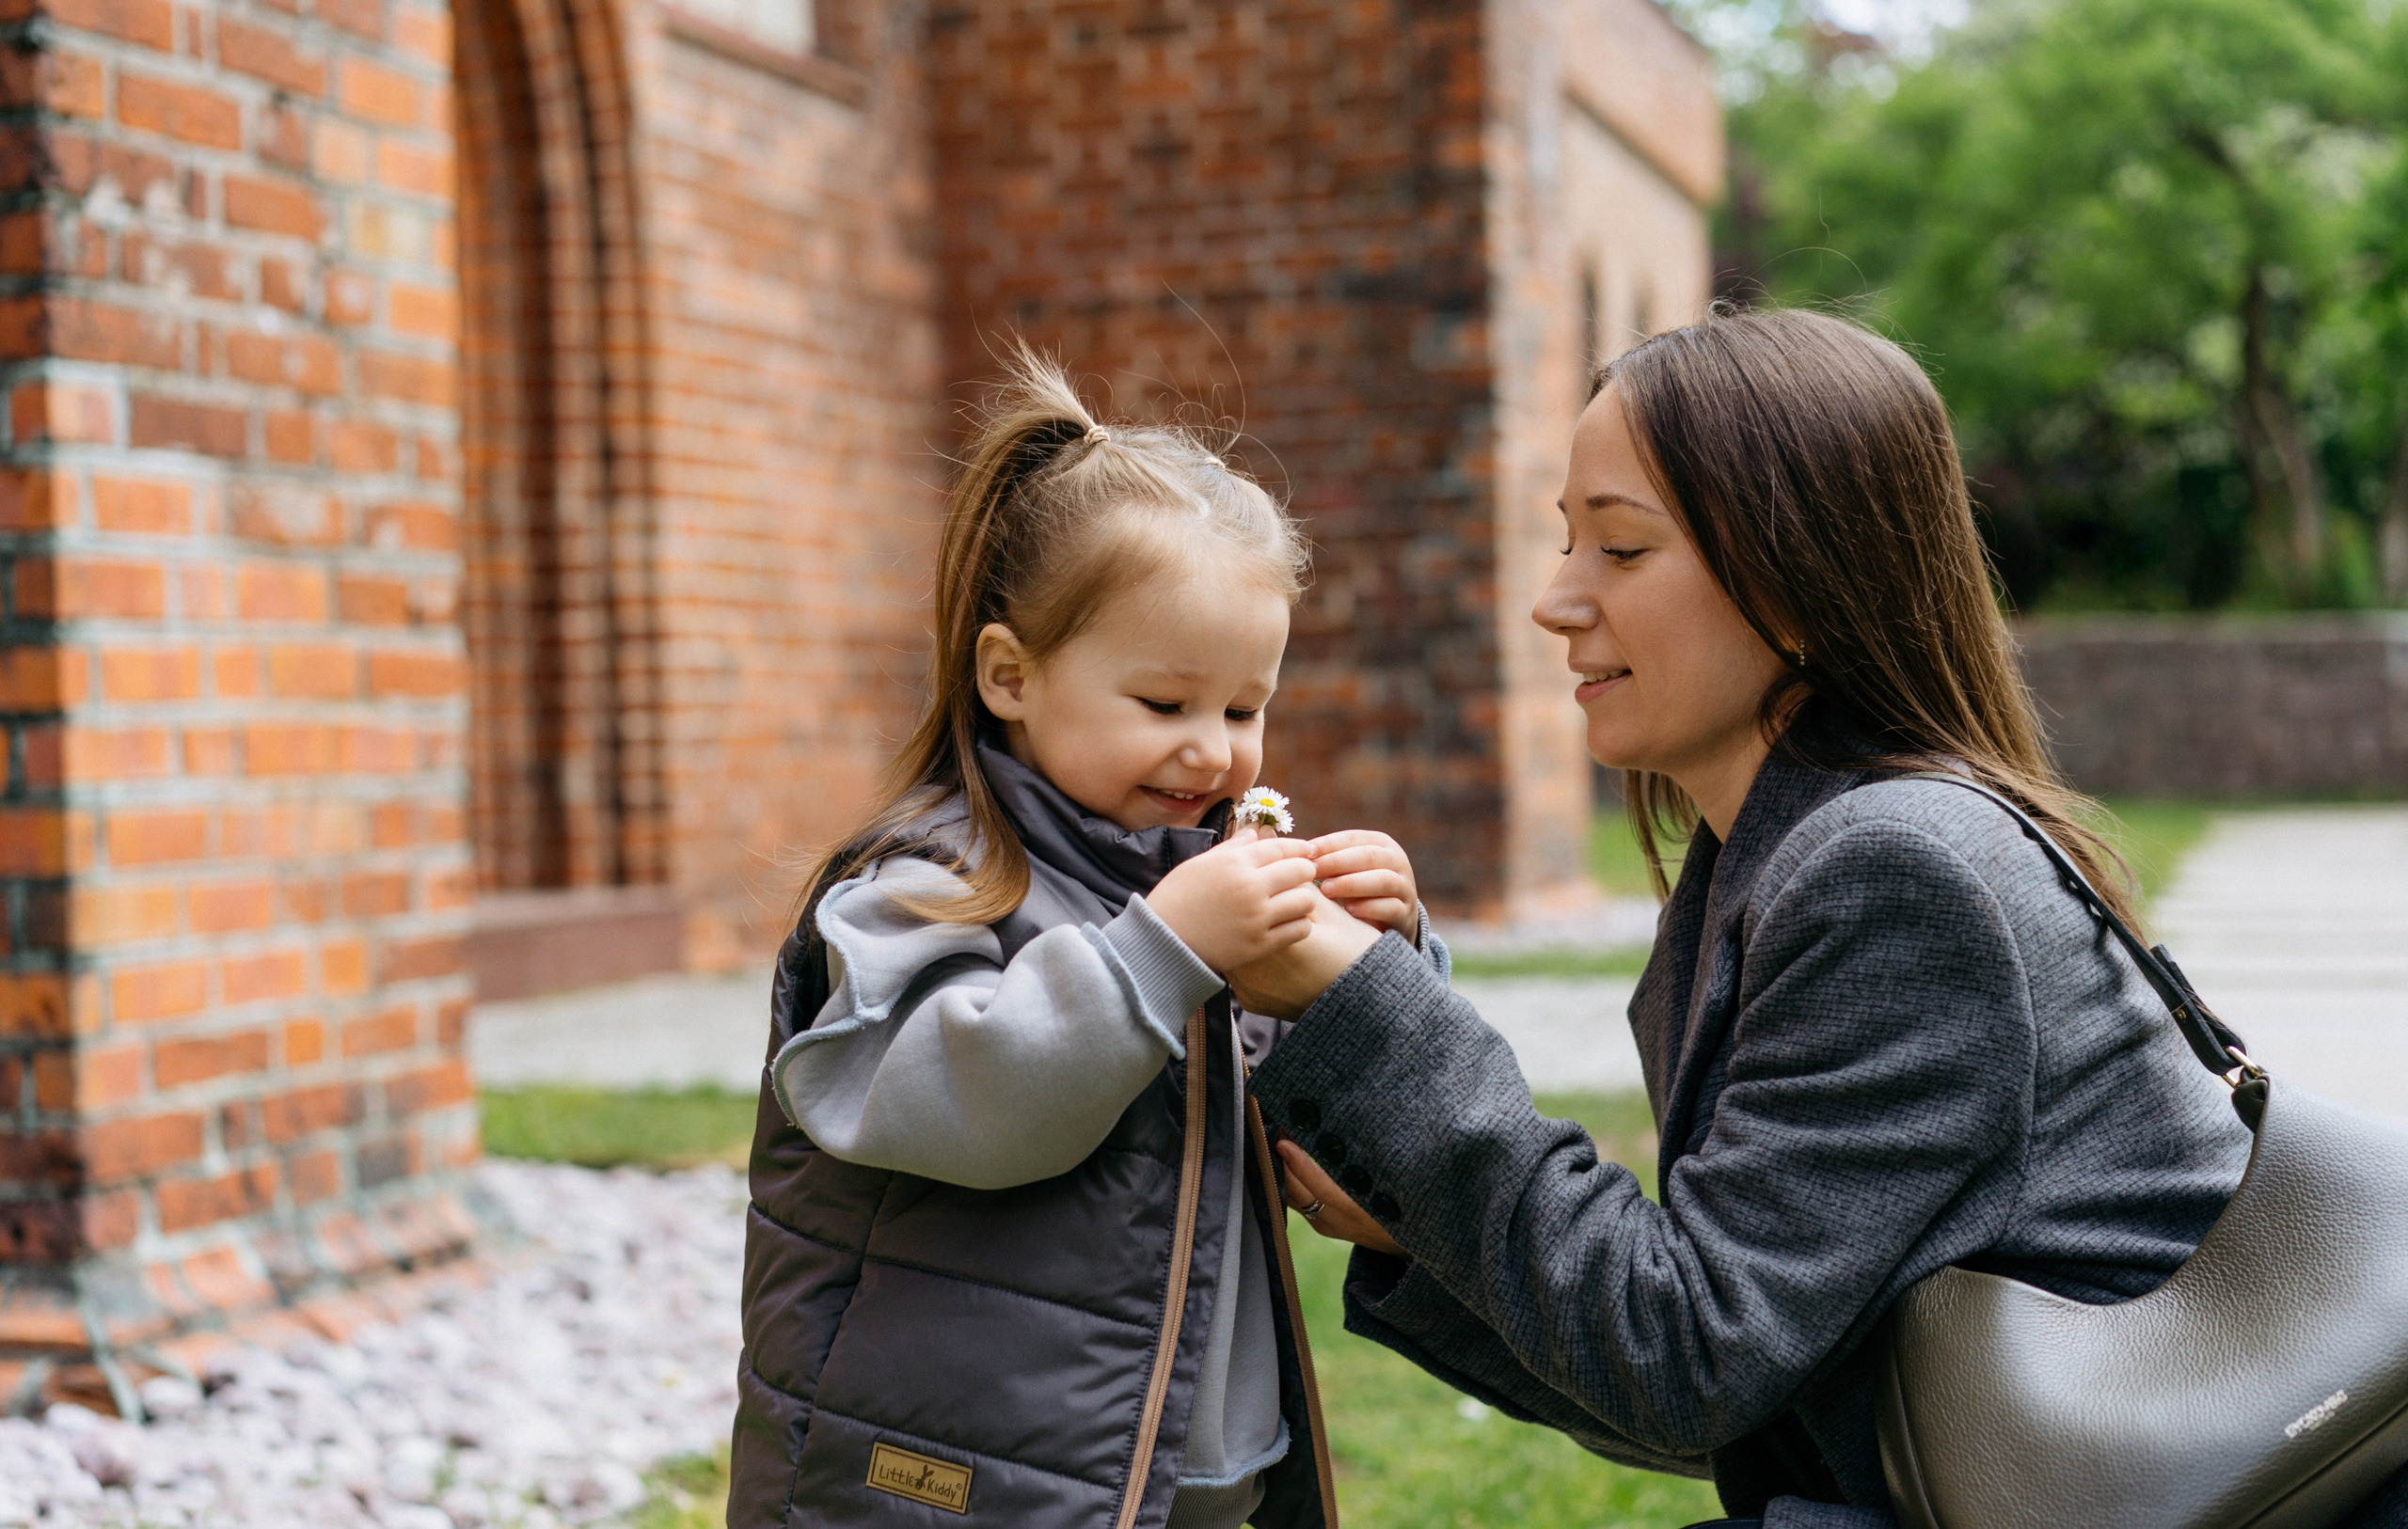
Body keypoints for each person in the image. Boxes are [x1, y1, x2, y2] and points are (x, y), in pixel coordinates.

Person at [1220, 307, 2389, 1528]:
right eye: (1568, 542)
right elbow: (1743, 1387)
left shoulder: (1896, 873)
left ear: (1795, 582)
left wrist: (1374, 1008)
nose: (1556, 601)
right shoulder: (1771, 862)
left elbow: (1688, 1354)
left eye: (1620, 548)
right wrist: (1425, 1235)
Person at [725, 352, 1430, 1529]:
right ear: (1011, 675)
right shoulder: (928, 886)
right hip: (951, 1489)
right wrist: (1163, 949)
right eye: (1164, 703)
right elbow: (972, 1102)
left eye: (1244, 707)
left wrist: (1379, 958)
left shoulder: (1197, 886)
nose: (1213, 748)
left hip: (1182, 1473)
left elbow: (1330, 1123)